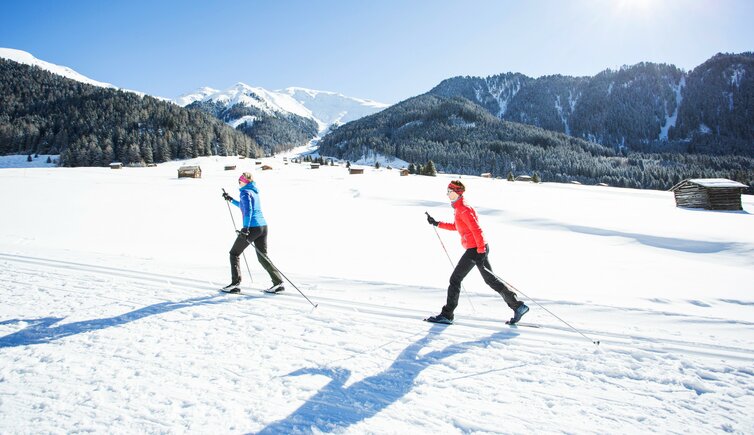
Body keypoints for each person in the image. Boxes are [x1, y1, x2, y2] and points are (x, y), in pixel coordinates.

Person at [425, 180, 529, 325]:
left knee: (455, 279)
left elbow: (476, 230)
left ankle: (447, 315)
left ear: (457, 192)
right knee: (490, 280)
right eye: (447, 191)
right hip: (478, 248)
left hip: (475, 249)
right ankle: (518, 306)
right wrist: (437, 223)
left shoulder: (464, 209)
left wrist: (480, 252)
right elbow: (458, 227)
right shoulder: (460, 208)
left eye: (450, 191)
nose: (447, 194)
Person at [222, 172, 284, 294]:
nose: (238, 182)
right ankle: (278, 283)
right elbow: (243, 206)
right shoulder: (254, 192)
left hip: (252, 228)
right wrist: (231, 199)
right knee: (263, 257)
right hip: (263, 227)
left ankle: (235, 284)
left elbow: (248, 211)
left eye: (240, 180)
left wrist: (245, 228)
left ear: (245, 181)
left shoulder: (244, 192)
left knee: (234, 253)